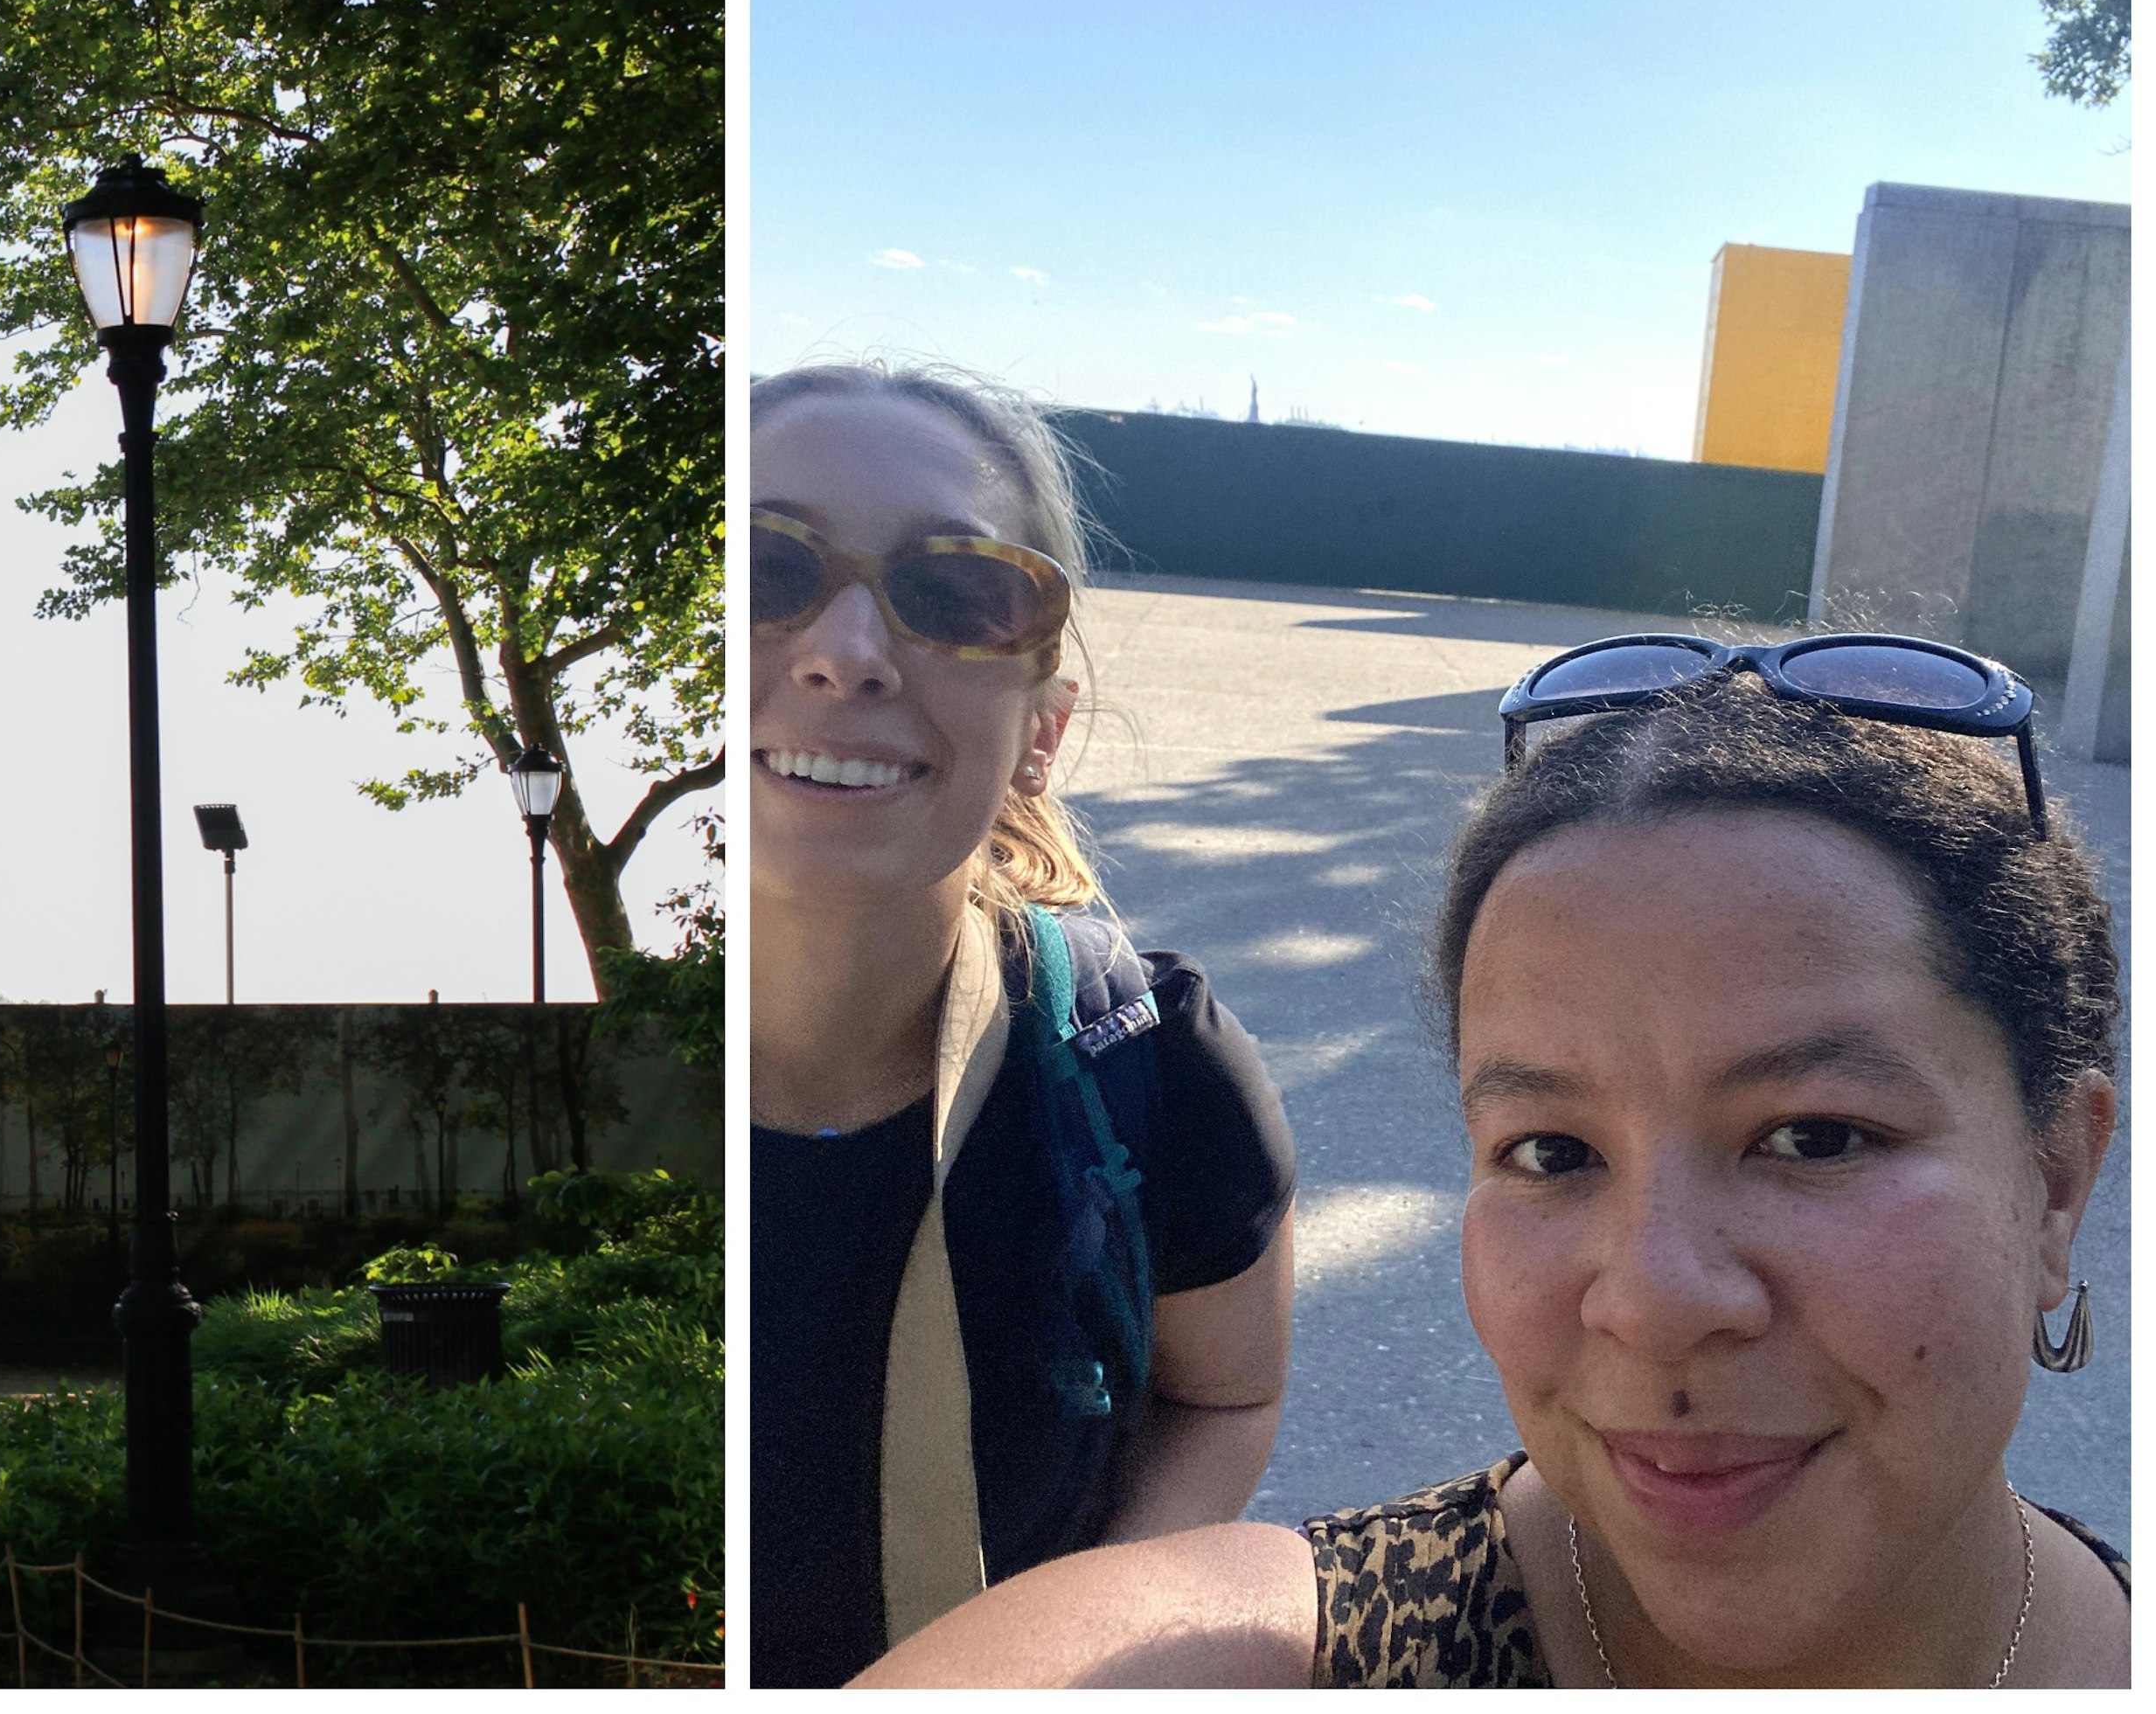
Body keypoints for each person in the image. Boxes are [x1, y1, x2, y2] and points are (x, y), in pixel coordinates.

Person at [857, 637, 2130, 1689]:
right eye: (1553, 1150)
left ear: (2057, 1180)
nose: (1652, 1298)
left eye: (1816, 1135)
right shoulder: (1284, 1661)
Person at [751, 361, 1299, 1688]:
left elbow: (1226, 1397)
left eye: (956, 595)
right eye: (764, 566)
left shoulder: (1152, 1064)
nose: (846, 650)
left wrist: (1054, 1669)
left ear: (1042, 729)